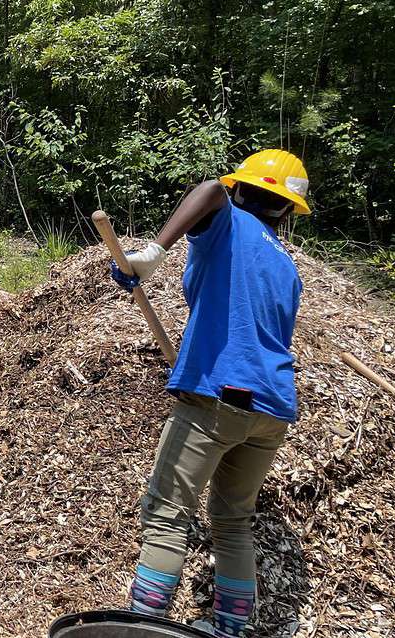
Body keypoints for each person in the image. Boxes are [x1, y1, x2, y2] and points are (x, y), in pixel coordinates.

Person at [112, 149, 311, 637]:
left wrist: (153, 252)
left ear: (240, 190)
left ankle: (143, 628)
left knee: (165, 513)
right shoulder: (287, 265)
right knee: (231, 521)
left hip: (219, 396)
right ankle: (230, 630)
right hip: (273, 409)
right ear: (287, 210)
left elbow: (209, 191)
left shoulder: (227, 221)